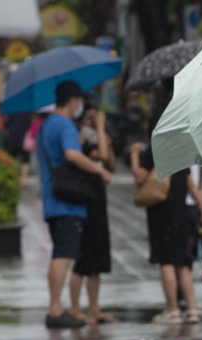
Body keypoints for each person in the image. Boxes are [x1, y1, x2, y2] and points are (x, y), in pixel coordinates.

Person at [36, 81, 112, 329]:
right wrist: (99, 171)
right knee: (64, 255)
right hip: (67, 202)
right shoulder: (65, 124)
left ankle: (56, 306)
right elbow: (71, 154)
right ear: (73, 101)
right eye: (79, 100)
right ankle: (55, 309)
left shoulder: (46, 125)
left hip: (53, 199)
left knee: (60, 253)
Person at [129, 145, 201, 324]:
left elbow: (139, 177)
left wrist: (134, 155)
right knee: (182, 262)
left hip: (161, 213)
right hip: (181, 212)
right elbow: (190, 183)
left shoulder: (154, 148)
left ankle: (172, 310)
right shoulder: (179, 149)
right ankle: (192, 310)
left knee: (166, 261)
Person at [69, 103, 118, 325]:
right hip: (85, 201)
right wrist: (99, 128)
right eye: (90, 118)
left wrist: (105, 139)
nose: (95, 121)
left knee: (97, 260)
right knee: (82, 259)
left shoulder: (98, 138)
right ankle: (76, 309)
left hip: (98, 201)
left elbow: (111, 163)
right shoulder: (81, 139)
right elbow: (101, 154)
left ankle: (95, 308)